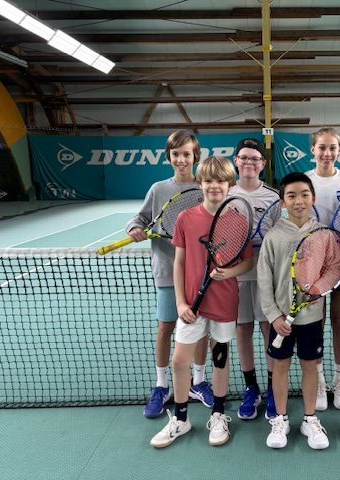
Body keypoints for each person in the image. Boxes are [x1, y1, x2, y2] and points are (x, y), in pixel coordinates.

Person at [150, 155, 254, 448]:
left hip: (224, 304)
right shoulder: (186, 218)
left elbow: (247, 262)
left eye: (220, 181)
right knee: (179, 361)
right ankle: (181, 418)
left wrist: (227, 273)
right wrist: (181, 303)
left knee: (220, 359)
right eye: (208, 180)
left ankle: (218, 415)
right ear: (200, 183)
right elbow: (179, 263)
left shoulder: (238, 221)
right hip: (191, 307)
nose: (214, 186)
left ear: (230, 184)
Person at [126, 130, 213, 418]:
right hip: (166, 270)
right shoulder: (158, 189)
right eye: (176, 154)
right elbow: (140, 218)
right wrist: (134, 228)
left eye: (186, 154)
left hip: (200, 272)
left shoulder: (205, 187)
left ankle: (198, 381)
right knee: (165, 327)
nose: (181, 159)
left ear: (195, 156)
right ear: (169, 156)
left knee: (200, 328)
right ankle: (162, 385)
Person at [258, 172, 330, 450]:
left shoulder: (323, 234)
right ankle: (281, 418)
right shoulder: (273, 237)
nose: (298, 201)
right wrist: (274, 315)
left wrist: (319, 289)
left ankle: (310, 419)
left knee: (310, 365)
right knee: (280, 367)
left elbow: (332, 268)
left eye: (304, 194)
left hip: (311, 317)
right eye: (291, 196)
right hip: (281, 320)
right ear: (282, 202)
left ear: (313, 198)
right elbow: (264, 280)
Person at [305, 127, 340, 411]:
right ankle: (318, 379)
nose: (327, 153)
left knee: (338, 320)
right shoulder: (305, 180)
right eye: (322, 147)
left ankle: (339, 380)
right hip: (313, 263)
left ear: (339, 150)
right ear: (313, 149)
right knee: (315, 322)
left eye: (332, 148)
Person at [229, 138, 279, 421]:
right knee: (242, 329)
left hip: (265, 274)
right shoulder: (226, 193)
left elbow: (278, 234)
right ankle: (251, 388)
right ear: (236, 161)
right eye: (244, 157)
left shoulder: (273, 197)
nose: (249, 162)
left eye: (254, 158)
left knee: (267, 328)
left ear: (263, 164)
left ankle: (273, 387)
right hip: (235, 275)